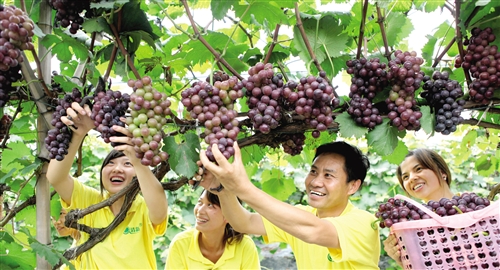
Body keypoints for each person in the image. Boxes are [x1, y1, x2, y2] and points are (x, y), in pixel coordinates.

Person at [198, 141, 381, 269]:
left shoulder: (364, 223)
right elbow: (244, 223)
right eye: (313, 172)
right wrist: (222, 190)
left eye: (328, 175)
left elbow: (314, 231)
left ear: (353, 185)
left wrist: (243, 187)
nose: (316, 182)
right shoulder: (302, 216)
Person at [46, 101, 168, 269]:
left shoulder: (143, 206)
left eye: (127, 164)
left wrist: (137, 161)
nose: (117, 169)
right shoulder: (89, 200)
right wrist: (79, 133)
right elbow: (56, 177)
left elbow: (159, 213)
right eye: (110, 164)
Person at [383, 148, 454, 267]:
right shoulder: (413, 225)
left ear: (442, 172)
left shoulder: (479, 210)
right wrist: (403, 259)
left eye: (418, 169)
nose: (411, 178)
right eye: (405, 177)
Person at [165, 185, 260, 269]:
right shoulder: (180, 244)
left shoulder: (244, 246)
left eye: (210, 205)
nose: (200, 211)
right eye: (200, 202)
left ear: (229, 214)